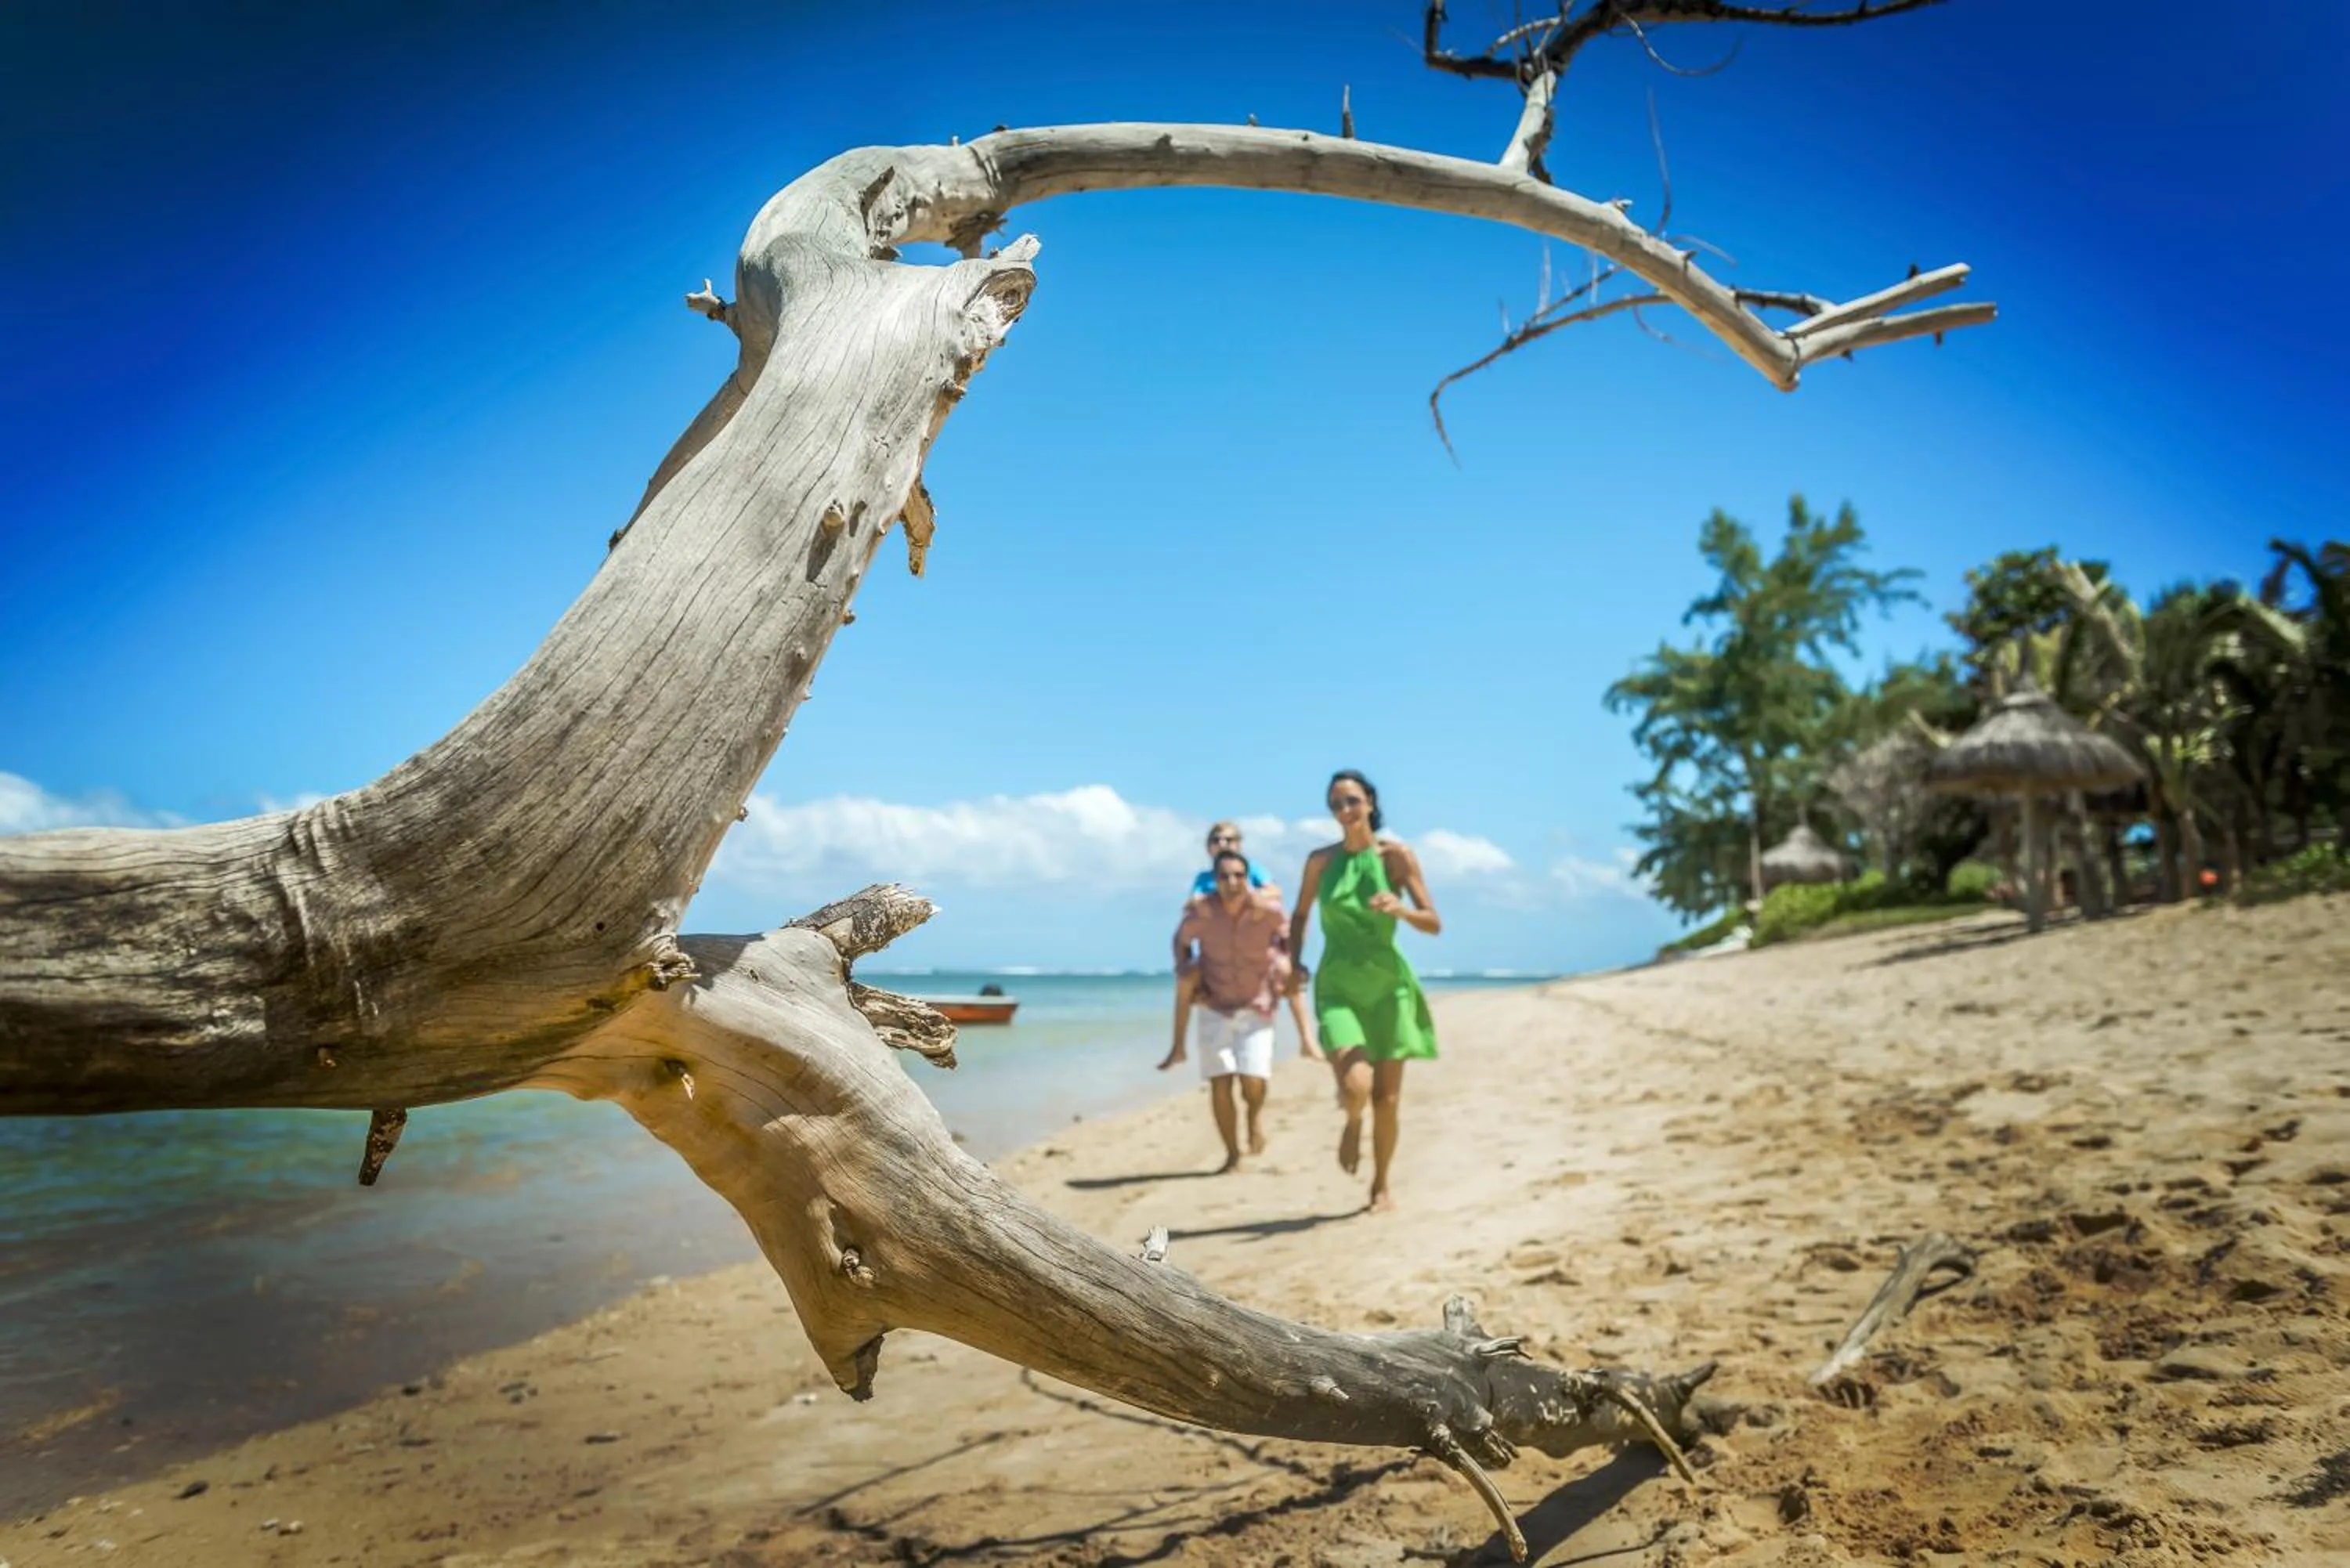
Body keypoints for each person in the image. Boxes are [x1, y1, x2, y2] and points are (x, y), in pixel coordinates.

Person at [1287, 769, 1441, 1213]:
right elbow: (1299, 915)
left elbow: (1433, 922)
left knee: (1387, 1099)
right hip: (1338, 984)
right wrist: (1293, 962)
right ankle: (1353, 1119)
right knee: (1357, 1085)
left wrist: (1401, 910)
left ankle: (1381, 1185)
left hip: (1389, 986)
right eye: (1336, 804)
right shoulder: (1320, 862)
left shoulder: (1397, 857)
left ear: (1370, 803)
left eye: (1352, 801)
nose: (1345, 810)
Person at [1162, 849, 1291, 1172]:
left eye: (1238, 876)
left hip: (1256, 1006)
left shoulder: (1268, 912)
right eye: (1224, 876)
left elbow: (1289, 937)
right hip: (1215, 1006)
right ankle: (1232, 1155)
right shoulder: (1202, 913)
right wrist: (1184, 968)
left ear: (1248, 879)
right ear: (1214, 880)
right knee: (1220, 1083)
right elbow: (1181, 939)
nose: (1232, 882)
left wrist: (1284, 965)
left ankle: (1254, 1116)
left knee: (1253, 1080)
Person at [1168, 822, 1316, 1066]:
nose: (1222, 844)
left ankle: (1307, 1039)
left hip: (1258, 942)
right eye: (1216, 840)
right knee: (1186, 978)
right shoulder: (1204, 878)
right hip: (1219, 946)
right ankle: (1178, 1045)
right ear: (1208, 847)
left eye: (1229, 840)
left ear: (1239, 844)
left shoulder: (1252, 869)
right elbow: (1192, 906)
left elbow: (1274, 892)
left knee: (1289, 972)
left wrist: (1246, 897)